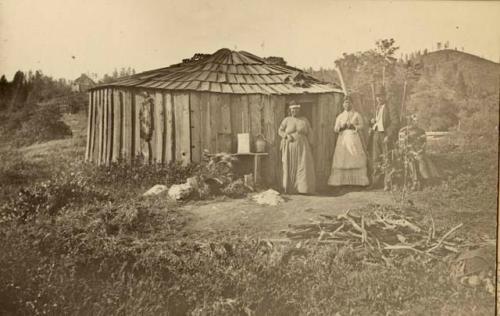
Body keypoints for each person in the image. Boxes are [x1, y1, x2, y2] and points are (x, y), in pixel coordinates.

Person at [328, 96, 369, 187]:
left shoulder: (356, 114)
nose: (347, 104)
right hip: (343, 139)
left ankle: (358, 182)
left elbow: (362, 125)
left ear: (352, 104)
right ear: (343, 104)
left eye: (349, 102)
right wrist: (341, 127)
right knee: (342, 158)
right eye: (345, 103)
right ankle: (340, 182)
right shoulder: (340, 116)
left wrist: (354, 127)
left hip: (354, 139)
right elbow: (335, 129)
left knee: (355, 156)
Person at [279, 103, 316, 194]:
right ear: (290, 110)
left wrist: (312, 143)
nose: (294, 111)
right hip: (290, 146)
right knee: (290, 165)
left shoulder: (304, 120)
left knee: (303, 165)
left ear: (299, 110)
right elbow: (280, 130)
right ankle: (290, 189)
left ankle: (303, 189)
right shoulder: (286, 120)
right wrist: (286, 136)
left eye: (296, 110)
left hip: (303, 146)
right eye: (292, 110)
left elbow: (310, 132)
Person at [398, 114, 441, 190]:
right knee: (410, 161)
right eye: (414, 120)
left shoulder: (421, 131)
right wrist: (409, 150)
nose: (416, 122)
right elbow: (402, 144)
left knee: (421, 159)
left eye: (417, 121)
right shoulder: (405, 130)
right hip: (408, 152)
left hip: (419, 151)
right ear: (410, 121)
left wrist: (419, 151)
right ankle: (415, 182)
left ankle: (427, 181)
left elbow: (424, 143)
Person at [369, 88, 399, 191]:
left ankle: (388, 184)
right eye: (377, 96)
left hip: (385, 135)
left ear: (385, 96)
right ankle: (376, 183)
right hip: (376, 134)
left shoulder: (390, 106)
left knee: (387, 159)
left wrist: (389, 135)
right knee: (376, 159)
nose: (379, 98)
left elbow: (395, 122)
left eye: (381, 96)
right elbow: (377, 121)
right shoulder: (377, 107)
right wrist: (372, 121)